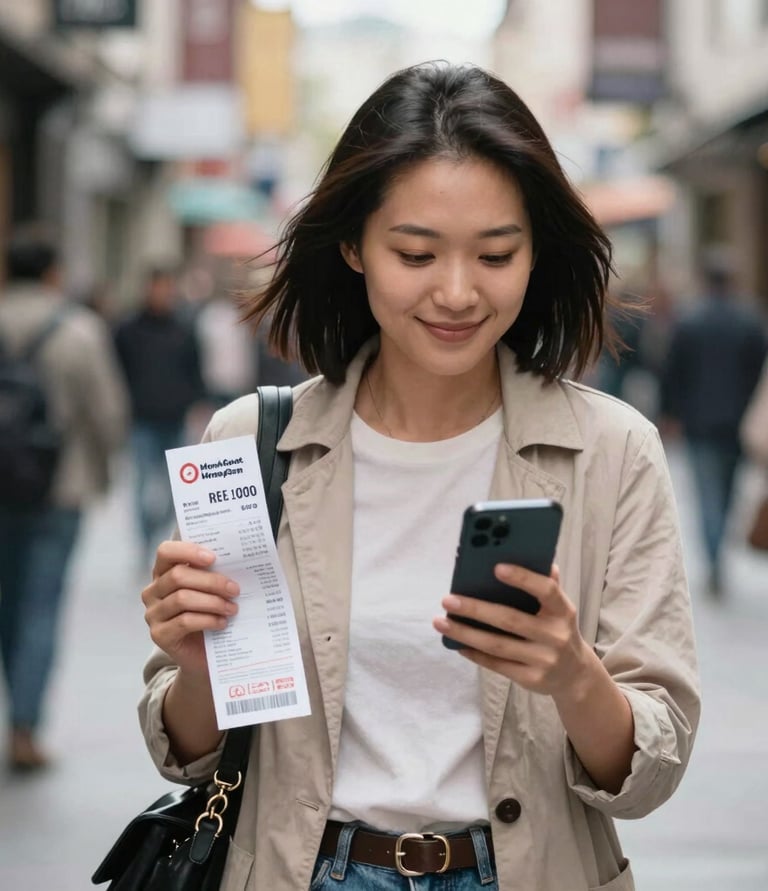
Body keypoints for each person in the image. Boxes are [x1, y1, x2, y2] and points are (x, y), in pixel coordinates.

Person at [138, 63, 700, 890]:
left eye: (496, 253)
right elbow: (187, 755)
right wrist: (198, 665)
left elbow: (652, 768)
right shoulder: (251, 442)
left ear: (535, 253)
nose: (458, 291)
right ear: (354, 246)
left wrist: (572, 672)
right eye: (416, 253)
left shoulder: (613, 450)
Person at [0, 224, 128, 770]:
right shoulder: (78, 330)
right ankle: (25, 725)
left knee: (8, 603)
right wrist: (104, 469)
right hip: (60, 488)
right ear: (53, 273)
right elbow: (107, 413)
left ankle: (18, 706)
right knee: (40, 605)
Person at [660, 256, 767, 595]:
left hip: (699, 422)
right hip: (737, 423)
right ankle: (718, 553)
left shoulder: (690, 319)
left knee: (707, 494)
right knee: (728, 492)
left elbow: (672, 372)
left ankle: (714, 557)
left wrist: (670, 413)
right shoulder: (750, 320)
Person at [114, 265, 206, 563]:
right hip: (141, 419)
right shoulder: (128, 329)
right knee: (142, 486)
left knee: (174, 490)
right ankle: (144, 541)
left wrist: (197, 403)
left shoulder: (184, 328)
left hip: (175, 418)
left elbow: (195, 369)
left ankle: (156, 532)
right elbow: (117, 372)